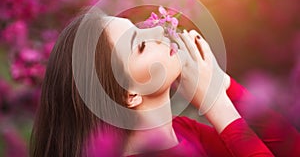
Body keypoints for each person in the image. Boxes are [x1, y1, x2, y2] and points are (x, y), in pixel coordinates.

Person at [30, 8, 300, 157]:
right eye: (141, 45)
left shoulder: (181, 132)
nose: (159, 30)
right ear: (130, 94)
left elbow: (290, 148)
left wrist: (222, 84)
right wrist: (216, 104)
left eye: (140, 27)